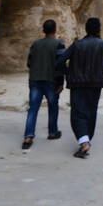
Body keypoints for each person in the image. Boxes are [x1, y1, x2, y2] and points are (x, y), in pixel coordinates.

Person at [59, 17, 103, 158]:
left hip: (77, 84)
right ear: (98, 29)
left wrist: (69, 73)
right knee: (91, 111)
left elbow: (61, 62)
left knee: (77, 113)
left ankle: (84, 142)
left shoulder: (77, 45)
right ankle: (86, 138)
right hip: (95, 84)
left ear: (86, 29)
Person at [22, 19, 65, 150]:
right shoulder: (59, 44)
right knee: (53, 107)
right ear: (55, 30)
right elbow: (60, 65)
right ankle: (52, 132)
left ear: (43, 30)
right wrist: (60, 82)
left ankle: (28, 137)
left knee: (33, 108)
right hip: (51, 80)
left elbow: (29, 62)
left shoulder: (36, 44)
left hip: (35, 79)